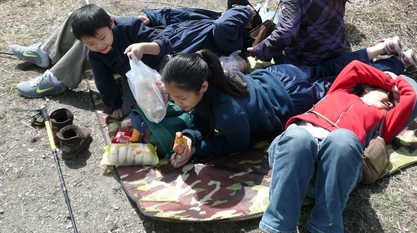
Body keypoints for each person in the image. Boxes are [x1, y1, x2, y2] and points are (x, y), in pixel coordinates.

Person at [246, 59, 417, 233]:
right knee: (299, 137)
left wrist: (398, 86)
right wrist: (390, 79)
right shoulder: (339, 91)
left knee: (343, 138)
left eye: (393, 102)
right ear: (366, 87)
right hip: (292, 159)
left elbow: (412, 96)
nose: (390, 104)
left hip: (331, 174)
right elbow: (355, 67)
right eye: (387, 97)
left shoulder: (384, 121)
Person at [158, 41, 416, 168]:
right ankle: (393, 57)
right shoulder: (217, 77)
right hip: (281, 74)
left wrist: (199, 149)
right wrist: (191, 137)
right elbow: (203, 117)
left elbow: (237, 143)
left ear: (202, 87)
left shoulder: (228, 113)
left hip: (293, 99)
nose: (179, 104)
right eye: (174, 98)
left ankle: (395, 67)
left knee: (343, 84)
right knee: (332, 68)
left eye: (181, 99)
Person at [11, 1, 258, 104]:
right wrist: (151, 16)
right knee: (83, 18)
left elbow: (237, 14)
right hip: (152, 33)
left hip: (157, 53)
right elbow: (176, 13)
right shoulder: (212, 17)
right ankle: (46, 51)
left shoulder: (224, 36)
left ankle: (57, 78)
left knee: (95, 43)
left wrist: (247, 11)